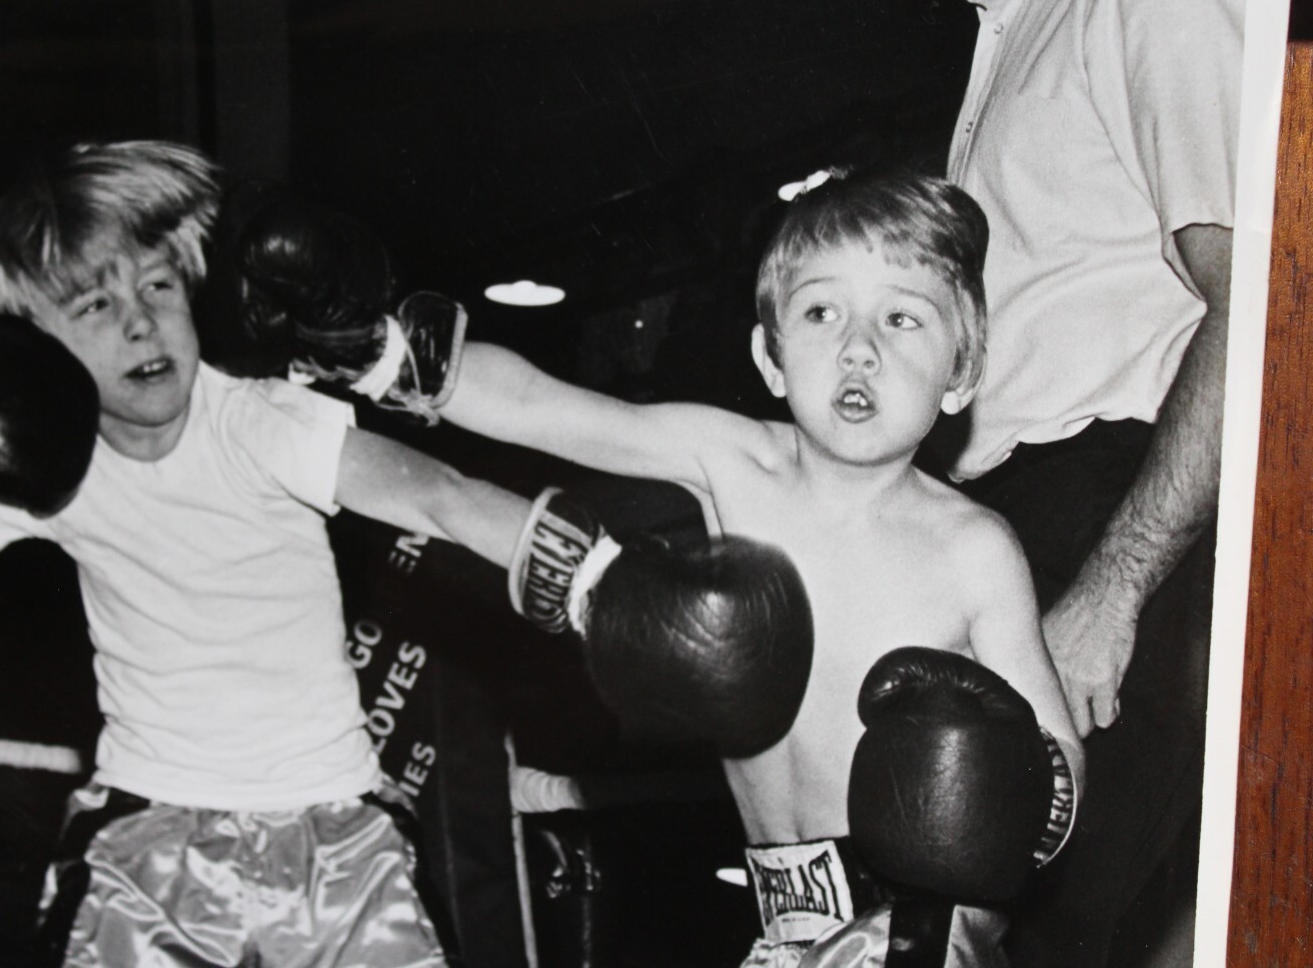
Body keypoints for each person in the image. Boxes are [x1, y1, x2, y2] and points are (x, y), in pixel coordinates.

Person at [240, 170, 1086, 966]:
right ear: (770, 357)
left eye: (902, 319)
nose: (859, 349)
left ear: (962, 372)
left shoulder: (974, 549)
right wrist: (388, 352)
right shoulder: (731, 460)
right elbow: (546, 409)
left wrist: (1010, 812)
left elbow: (1059, 760)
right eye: (823, 314)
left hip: (921, 941)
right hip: (779, 934)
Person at [0, 139, 545, 968]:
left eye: (159, 285)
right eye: (94, 306)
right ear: (34, 351)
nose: (141, 320)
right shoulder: (53, 464)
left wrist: (601, 579)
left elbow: (438, 495)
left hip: (338, 835)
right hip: (151, 838)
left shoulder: (255, 420)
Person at [944, 0, 1243, 966]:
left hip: (1106, 512)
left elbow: (1265, 299)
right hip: (1010, 532)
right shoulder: (1011, 19)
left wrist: (1114, 586)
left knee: (1065, 938)